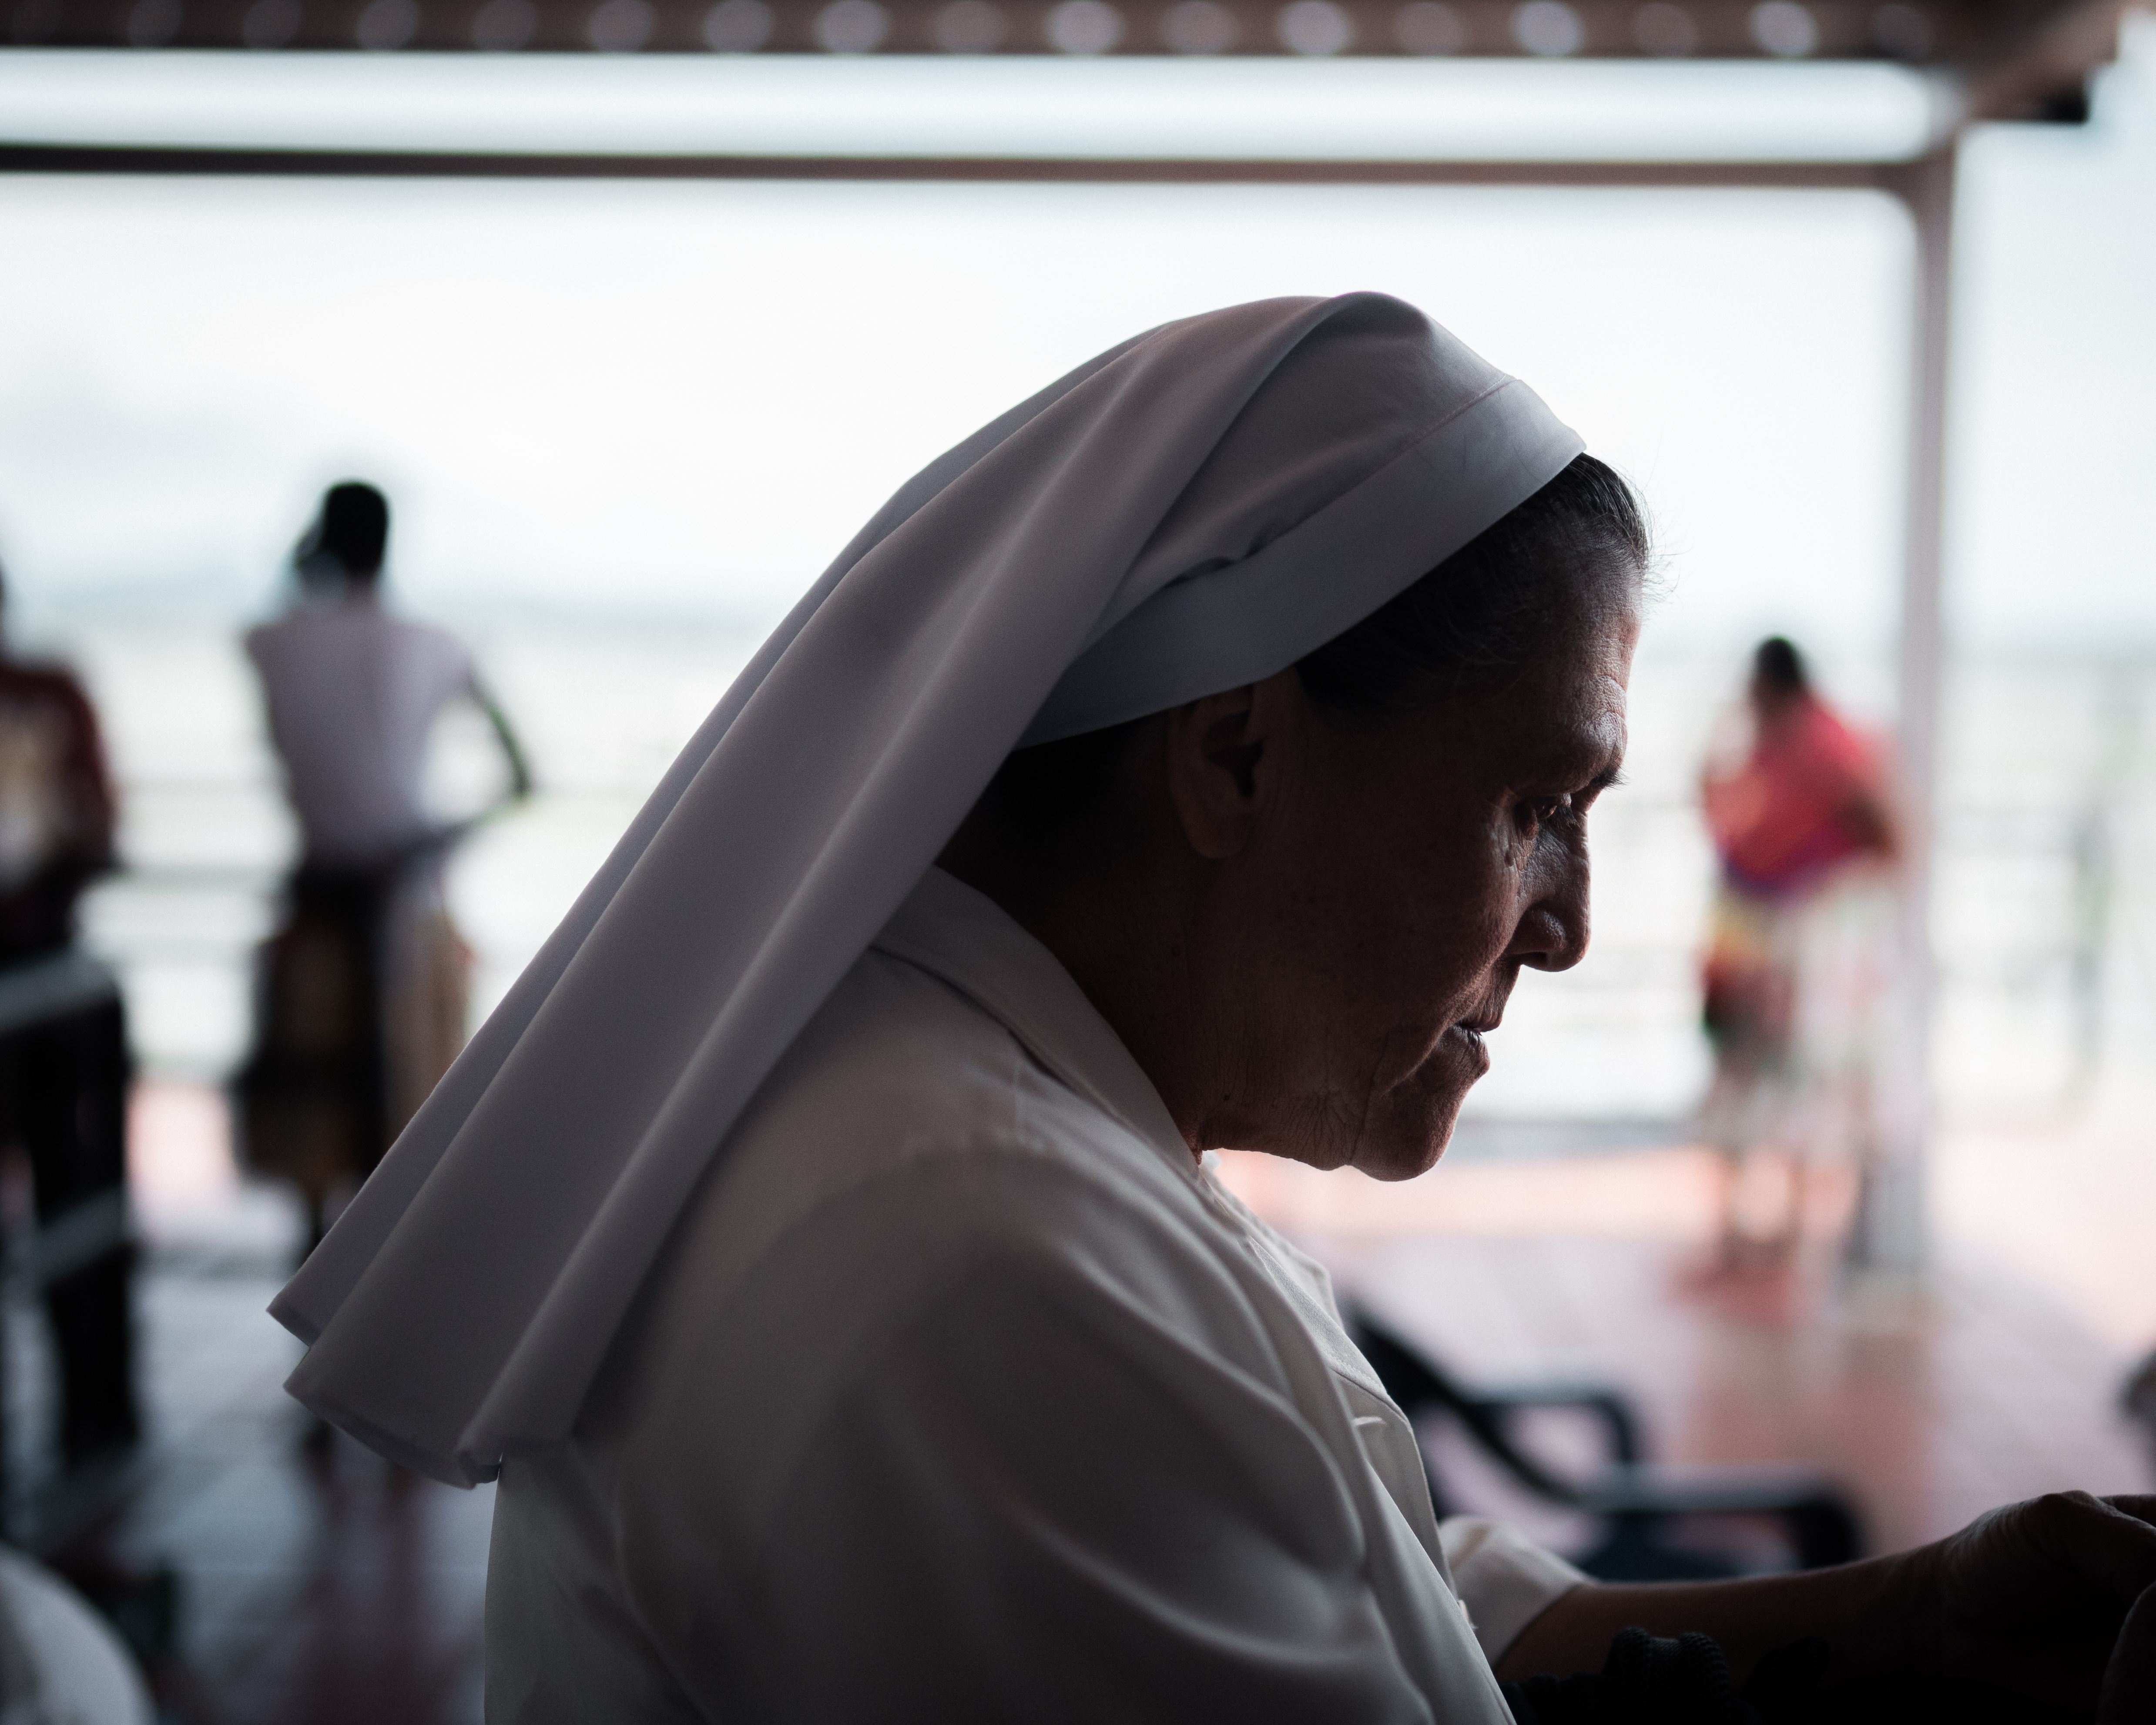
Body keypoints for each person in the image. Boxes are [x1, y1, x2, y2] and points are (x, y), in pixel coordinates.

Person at [270, 298, 2152, 1720]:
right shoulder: (960, 1252)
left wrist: (1922, 1616)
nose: (1569, 927)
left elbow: (1388, 1597)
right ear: (1239, 753)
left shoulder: (992, 1121)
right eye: (1535, 808)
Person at [237, 482, 531, 1258]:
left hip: (316, 919)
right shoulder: (437, 642)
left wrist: (303, 571)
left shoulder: (273, 638)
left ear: (321, 540)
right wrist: (438, 837)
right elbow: (524, 775)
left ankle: (308, 1320)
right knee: (413, 1126)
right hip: (409, 910)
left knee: (312, 1141)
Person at [1697, 636, 1899, 1270]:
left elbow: (1891, 838)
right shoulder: (1774, 743)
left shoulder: (1823, 744)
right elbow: (1722, 812)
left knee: (1795, 1087)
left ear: (1769, 684)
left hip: (1792, 955)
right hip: (1752, 947)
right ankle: (1742, 1236)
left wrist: (1821, 905)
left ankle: (1782, 1239)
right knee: (1747, 1082)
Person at [0, 560, 139, 1473]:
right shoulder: (48, 693)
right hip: (45, 974)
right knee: (77, 1196)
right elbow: (102, 836)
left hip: (41, 983)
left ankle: (95, 1413)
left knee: (77, 1202)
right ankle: (97, 1415)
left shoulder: (50, 695)